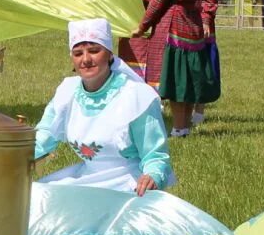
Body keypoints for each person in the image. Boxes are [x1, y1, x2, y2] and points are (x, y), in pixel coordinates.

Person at [33, 18, 173, 194]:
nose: (85, 59)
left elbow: (155, 154)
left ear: (109, 54)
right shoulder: (67, 93)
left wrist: (153, 175)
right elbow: (43, 138)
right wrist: (8, 157)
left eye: (94, 51)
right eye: (77, 54)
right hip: (88, 178)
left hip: (128, 184)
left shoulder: (135, 96)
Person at [136, 0, 220, 137]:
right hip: (192, 24)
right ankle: (185, 126)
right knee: (189, 77)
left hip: (174, 24)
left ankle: (178, 127)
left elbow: (158, 1)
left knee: (176, 77)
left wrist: (142, 25)